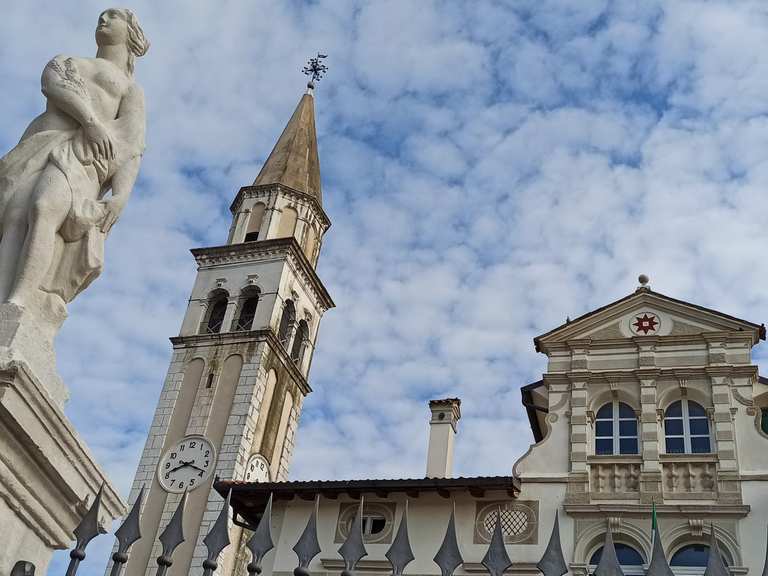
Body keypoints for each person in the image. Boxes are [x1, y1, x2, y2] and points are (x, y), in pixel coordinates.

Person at [0, 8, 149, 313]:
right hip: (39, 146)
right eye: (101, 15)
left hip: (80, 161)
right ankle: (4, 300)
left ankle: (20, 301)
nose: (103, 20)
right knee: (14, 218)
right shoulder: (70, 62)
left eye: (113, 16)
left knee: (44, 208)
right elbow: (53, 85)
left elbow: (131, 148)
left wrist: (120, 196)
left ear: (131, 32)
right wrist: (91, 122)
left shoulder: (129, 90)